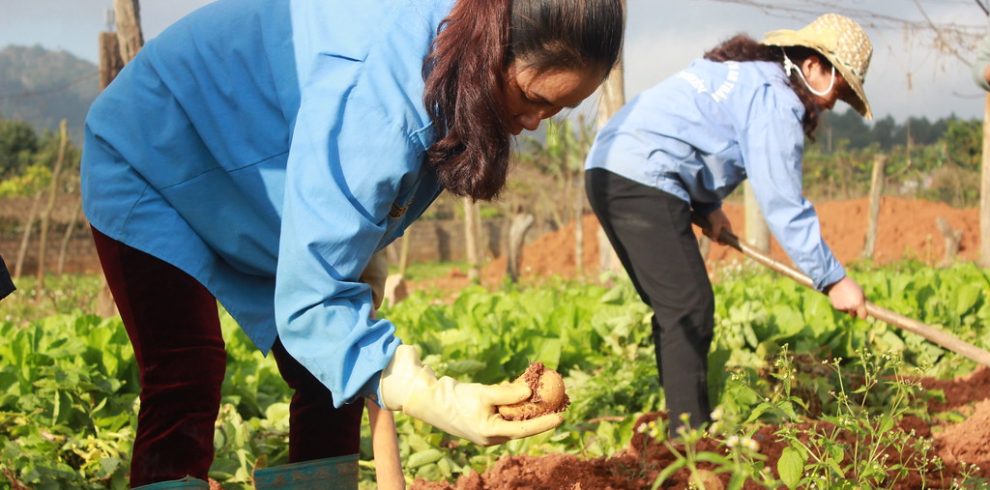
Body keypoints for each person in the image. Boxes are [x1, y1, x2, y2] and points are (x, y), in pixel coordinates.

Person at [80, 0, 623, 487]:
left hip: (254, 176)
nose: (531, 122)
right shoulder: (387, 93)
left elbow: (358, 184)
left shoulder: (455, 55)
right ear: (494, 46)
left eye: (554, 111)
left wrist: (363, 246)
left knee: (327, 374)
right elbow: (315, 293)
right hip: (153, 155)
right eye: (531, 98)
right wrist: (431, 394)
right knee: (186, 369)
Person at [584, 13, 871, 433]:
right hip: (641, 177)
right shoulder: (776, 99)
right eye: (838, 88)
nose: (830, 104)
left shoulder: (746, 73)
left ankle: (681, 427)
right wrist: (832, 279)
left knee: (677, 307)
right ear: (813, 66)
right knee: (688, 306)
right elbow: (783, 202)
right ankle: (690, 443)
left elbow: (693, 130)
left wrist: (706, 205)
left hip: (610, 169)